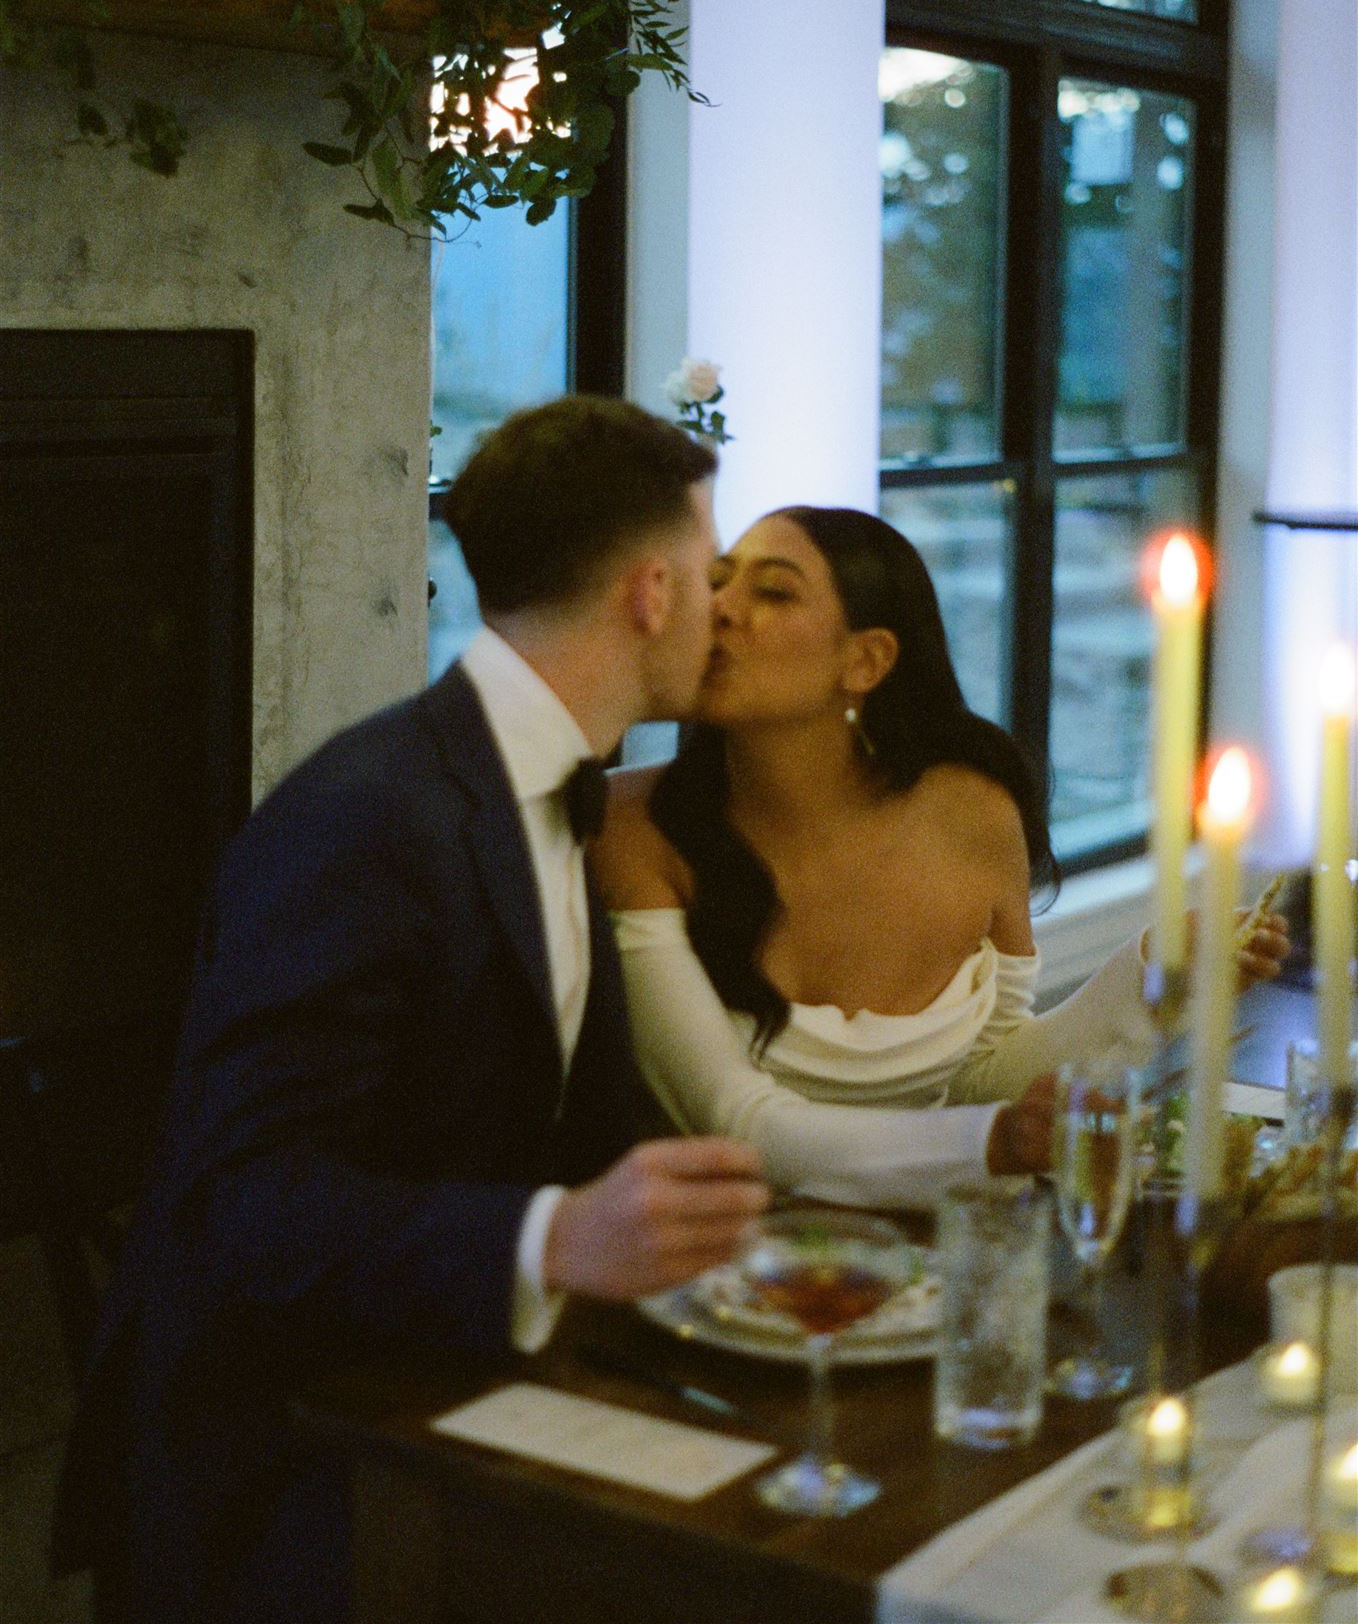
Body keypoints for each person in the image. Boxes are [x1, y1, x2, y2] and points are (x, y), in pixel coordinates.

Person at [53, 396, 768, 1624]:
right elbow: (241, 1200)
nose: (723, 613)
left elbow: (571, 1132)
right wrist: (553, 1238)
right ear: (648, 591)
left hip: (444, 1385)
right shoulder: (367, 820)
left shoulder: (544, 785)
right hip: (277, 1462)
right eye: (710, 576)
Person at [594, 505, 1289, 1210]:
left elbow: (983, 1074)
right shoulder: (633, 830)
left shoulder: (974, 813)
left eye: (772, 592)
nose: (721, 609)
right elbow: (736, 1123)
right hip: (703, 1265)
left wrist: (1154, 974)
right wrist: (989, 1144)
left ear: (866, 661)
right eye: (717, 581)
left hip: (921, 1259)